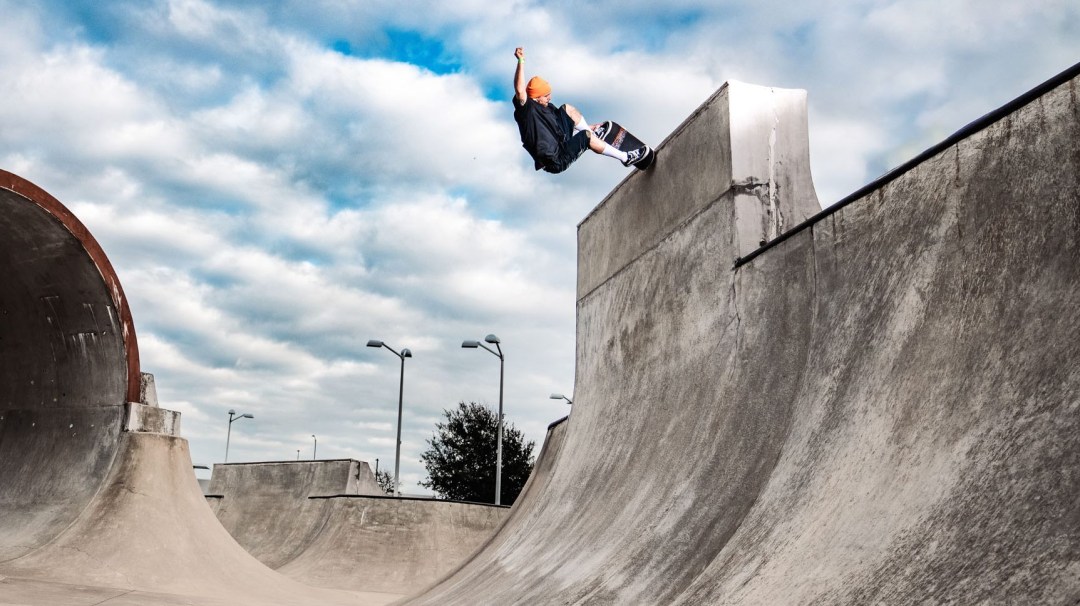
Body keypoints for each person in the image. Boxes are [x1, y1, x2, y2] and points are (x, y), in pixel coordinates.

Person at [512, 47, 648, 173]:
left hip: (561, 142)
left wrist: (589, 127)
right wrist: (521, 61)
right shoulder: (526, 109)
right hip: (555, 159)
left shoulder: (548, 107)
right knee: (586, 137)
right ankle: (626, 158)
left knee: (567, 109)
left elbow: (563, 125)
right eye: (546, 96)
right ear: (536, 97)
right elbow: (519, 89)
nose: (550, 98)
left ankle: (591, 132)